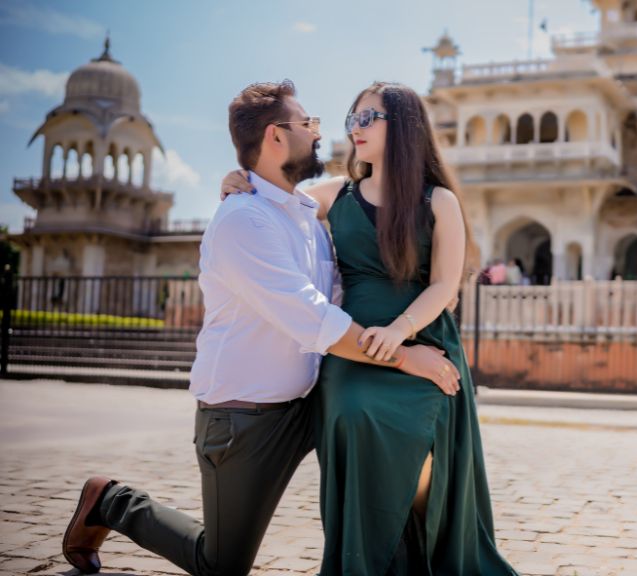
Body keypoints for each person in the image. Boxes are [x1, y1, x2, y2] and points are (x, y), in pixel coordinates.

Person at [60, 80, 460, 576]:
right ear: (275, 136)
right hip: (246, 418)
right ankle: (111, 502)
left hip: (307, 399)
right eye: (308, 124)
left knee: (385, 428)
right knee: (221, 564)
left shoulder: (305, 216)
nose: (320, 134)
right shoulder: (245, 222)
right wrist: (406, 356)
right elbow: (319, 321)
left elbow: (341, 293)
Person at [221, 81, 517, 575]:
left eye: (367, 119)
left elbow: (445, 286)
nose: (354, 129)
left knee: (424, 441)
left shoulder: (439, 200)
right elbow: (276, 201)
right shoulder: (334, 194)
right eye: (352, 119)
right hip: (355, 350)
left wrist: (400, 331)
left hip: (423, 337)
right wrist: (238, 180)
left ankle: (425, 558)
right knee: (354, 413)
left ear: (402, 127)